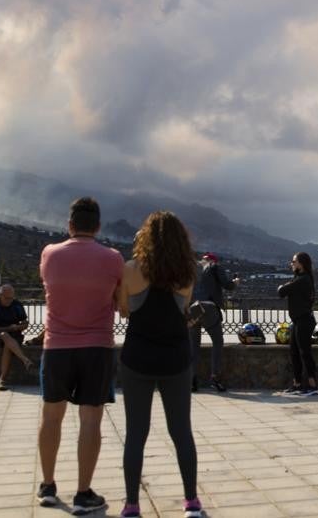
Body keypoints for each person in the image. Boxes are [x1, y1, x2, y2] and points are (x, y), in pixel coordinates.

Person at [36, 197, 122, 514]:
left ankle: (47, 486)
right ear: (98, 226)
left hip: (56, 347)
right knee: (90, 421)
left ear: (69, 224)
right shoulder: (112, 258)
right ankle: (83, 493)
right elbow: (119, 298)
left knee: (51, 417)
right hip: (97, 348)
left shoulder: (49, 254)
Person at [116, 211, 203, 518]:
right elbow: (182, 309)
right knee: (181, 431)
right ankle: (191, 502)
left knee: (136, 433)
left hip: (137, 358)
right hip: (176, 359)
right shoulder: (187, 274)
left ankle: (131, 504)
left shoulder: (130, 270)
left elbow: (124, 311)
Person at [191, 252, 236, 393]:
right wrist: (235, 282)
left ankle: (192, 380)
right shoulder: (215, 266)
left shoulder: (193, 269)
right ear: (213, 260)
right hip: (209, 307)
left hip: (192, 308)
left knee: (193, 346)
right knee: (217, 342)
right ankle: (214, 378)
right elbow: (227, 285)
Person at [277, 252, 318, 396]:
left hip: (304, 320)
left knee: (304, 353)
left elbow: (281, 291)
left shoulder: (304, 279)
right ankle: (297, 385)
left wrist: (284, 286)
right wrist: (287, 285)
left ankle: (313, 387)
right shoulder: (299, 279)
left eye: (293, 261)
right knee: (294, 353)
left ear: (301, 263)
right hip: (297, 321)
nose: (291, 264)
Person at [0, 284, 33, 391]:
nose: (9, 301)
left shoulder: (17, 305)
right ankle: (25, 359)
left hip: (15, 335)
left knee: (8, 345)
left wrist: (18, 327)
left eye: (11, 298)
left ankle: (2, 380)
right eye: (6, 298)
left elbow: (25, 323)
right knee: (4, 335)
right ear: (0, 295)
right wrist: (8, 328)